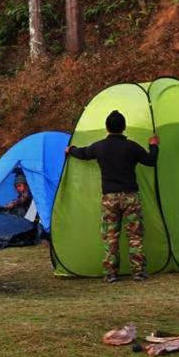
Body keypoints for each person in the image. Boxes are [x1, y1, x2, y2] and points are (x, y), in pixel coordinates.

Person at [65, 110, 159, 283]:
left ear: (107, 128)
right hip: (131, 197)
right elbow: (150, 161)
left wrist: (71, 150)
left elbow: (84, 154)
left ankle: (110, 274)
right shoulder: (131, 146)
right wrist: (153, 145)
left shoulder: (100, 147)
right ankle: (138, 273)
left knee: (110, 237)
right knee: (135, 236)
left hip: (110, 198)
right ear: (124, 127)